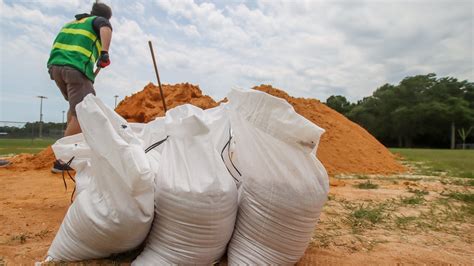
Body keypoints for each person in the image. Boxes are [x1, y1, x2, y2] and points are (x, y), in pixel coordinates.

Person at [48, 2, 112, 173]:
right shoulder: (99, 21)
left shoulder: (72, 23)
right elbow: (106, 27)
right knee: (84, 111)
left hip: (56, 68)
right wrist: (104, 53)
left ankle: (68, 146)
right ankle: (63, 160)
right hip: (74, 67)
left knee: (74, 108)